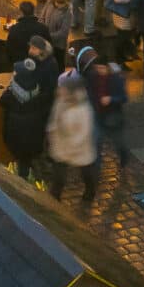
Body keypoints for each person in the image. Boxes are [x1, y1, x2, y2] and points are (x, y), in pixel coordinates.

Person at [45, 71, 101, 207]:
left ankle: (90, 192)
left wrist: (72, 144)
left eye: (62, 88)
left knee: (86, 172)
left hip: (80, 149)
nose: (60, 90)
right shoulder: (60, 101)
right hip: (61, 146)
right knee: (59, 177)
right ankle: (54, 198)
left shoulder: (84, 108)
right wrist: (52, 131)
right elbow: (55, 118)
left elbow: (84, 132)